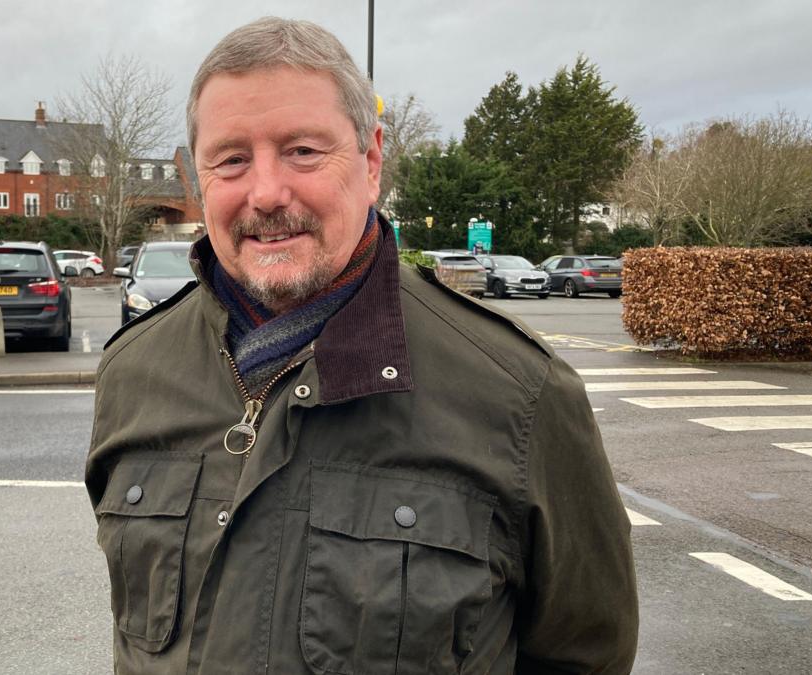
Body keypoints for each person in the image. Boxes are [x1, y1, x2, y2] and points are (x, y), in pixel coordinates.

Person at [86, 17, 638, 674]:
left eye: (303, 151)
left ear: (371, 161)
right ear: (202, 177)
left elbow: (585, 652)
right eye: (232, 159)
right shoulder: (132, 372)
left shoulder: (521, 395)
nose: (266, 192)